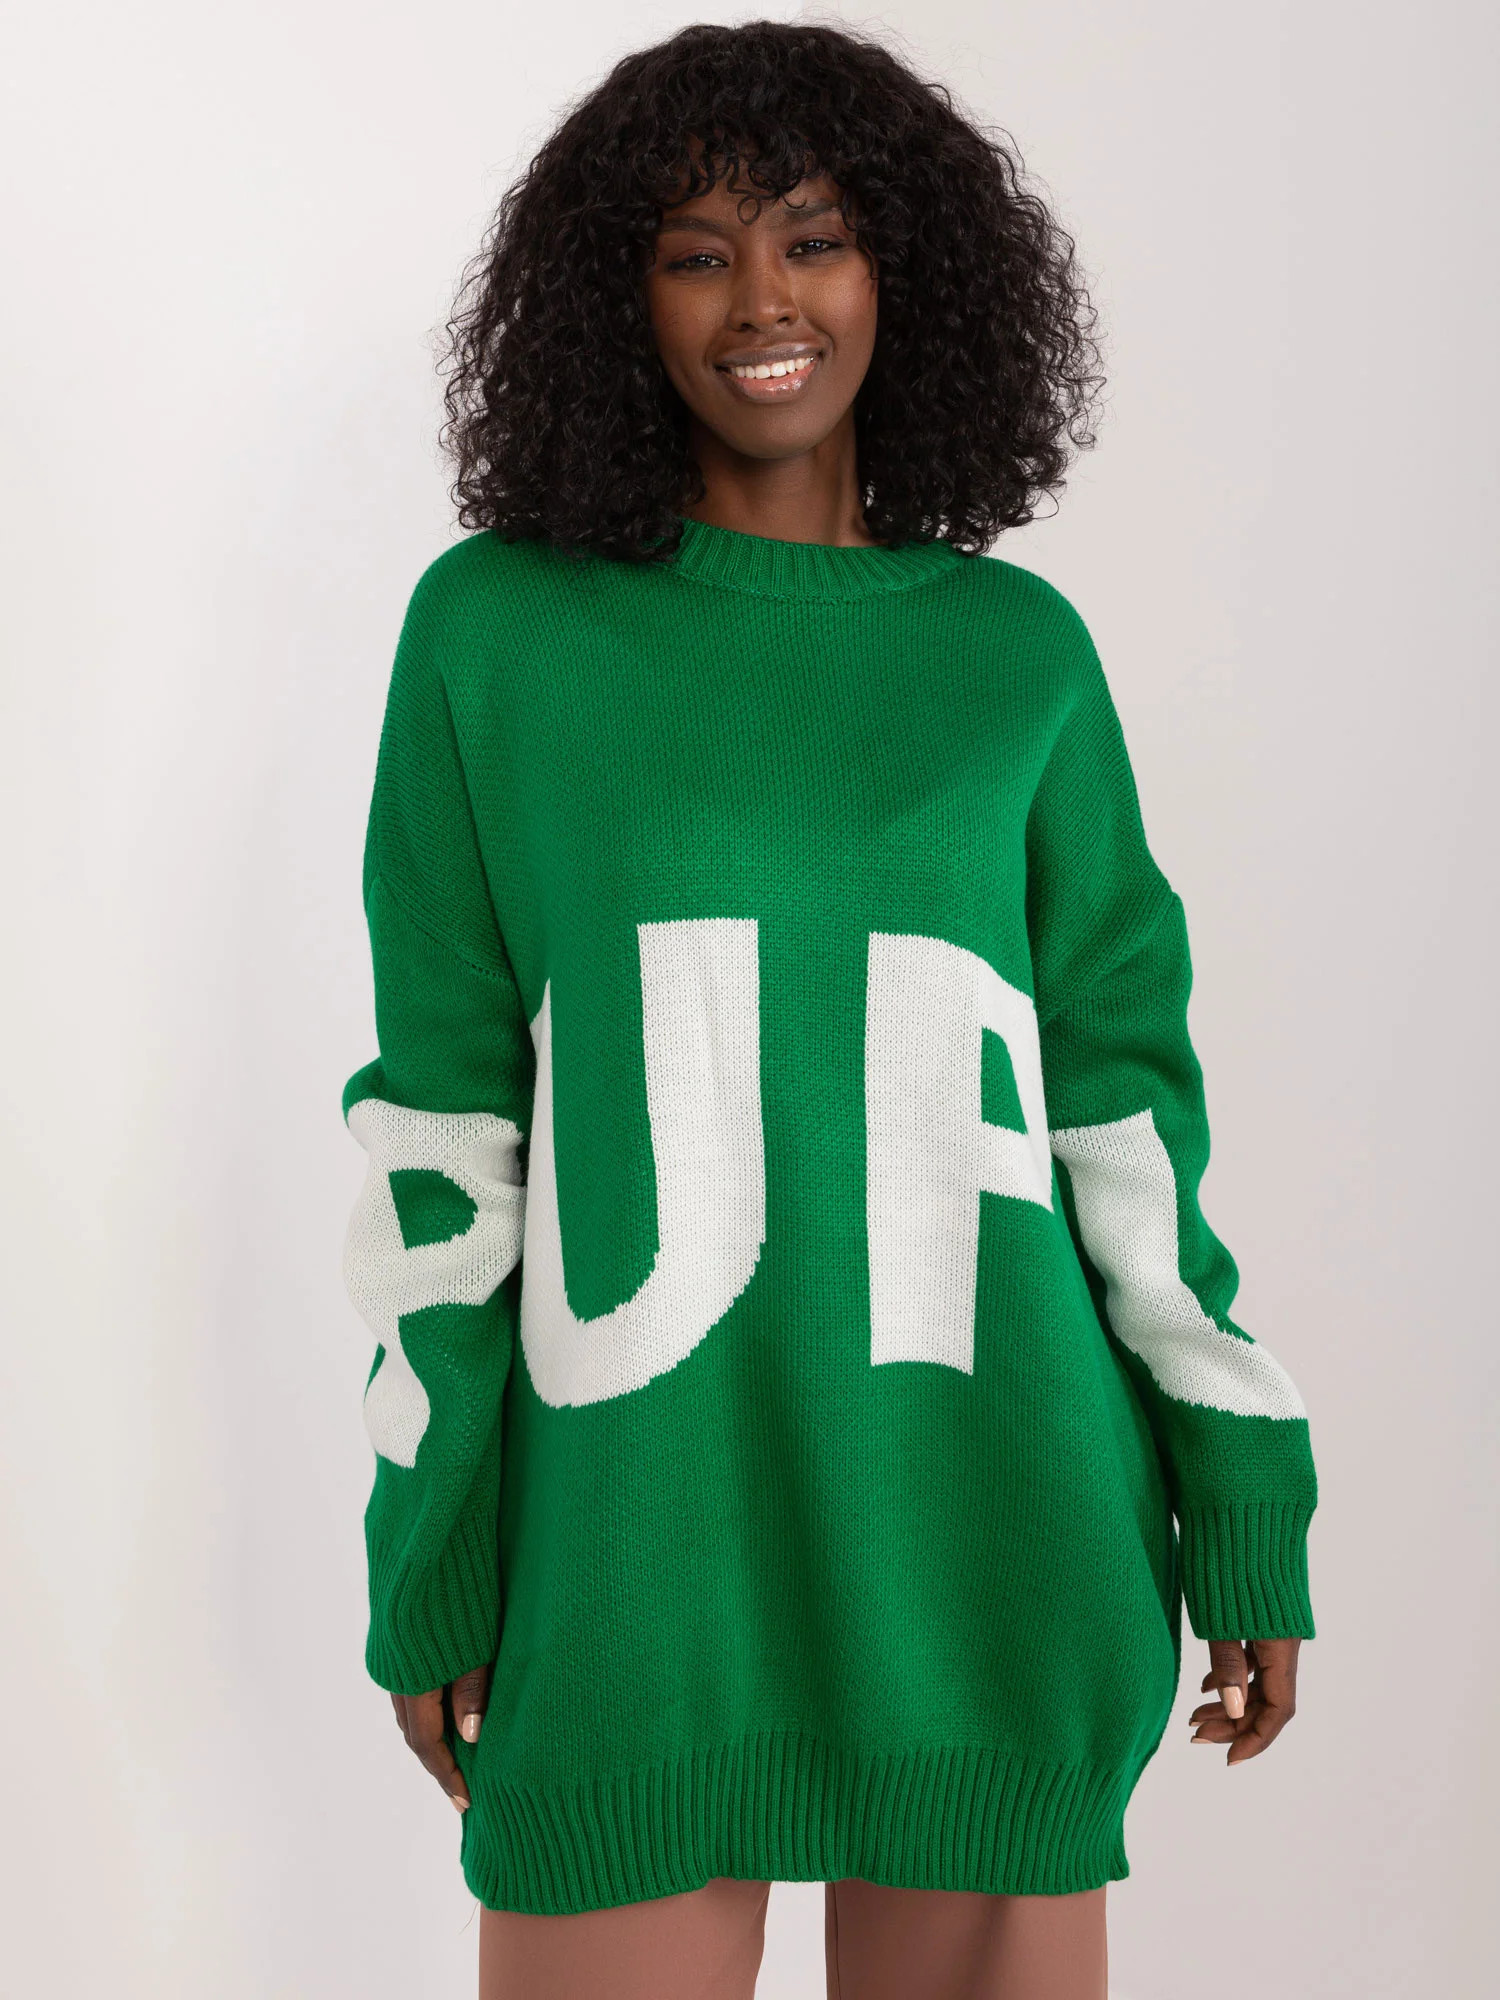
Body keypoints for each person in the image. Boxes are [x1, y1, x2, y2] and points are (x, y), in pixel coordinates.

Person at [339, 21, 1318, 1998]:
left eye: (814, 238)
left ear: (905, 271)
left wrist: (1245, 1494)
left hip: (990, 1530)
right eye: (696, 252)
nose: (763, 301)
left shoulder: (1016, 658)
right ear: (617, 297)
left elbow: (1125, 1114)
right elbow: (441, 1128)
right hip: (635, 1565)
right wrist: (432, 1545)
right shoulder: (495, 633)